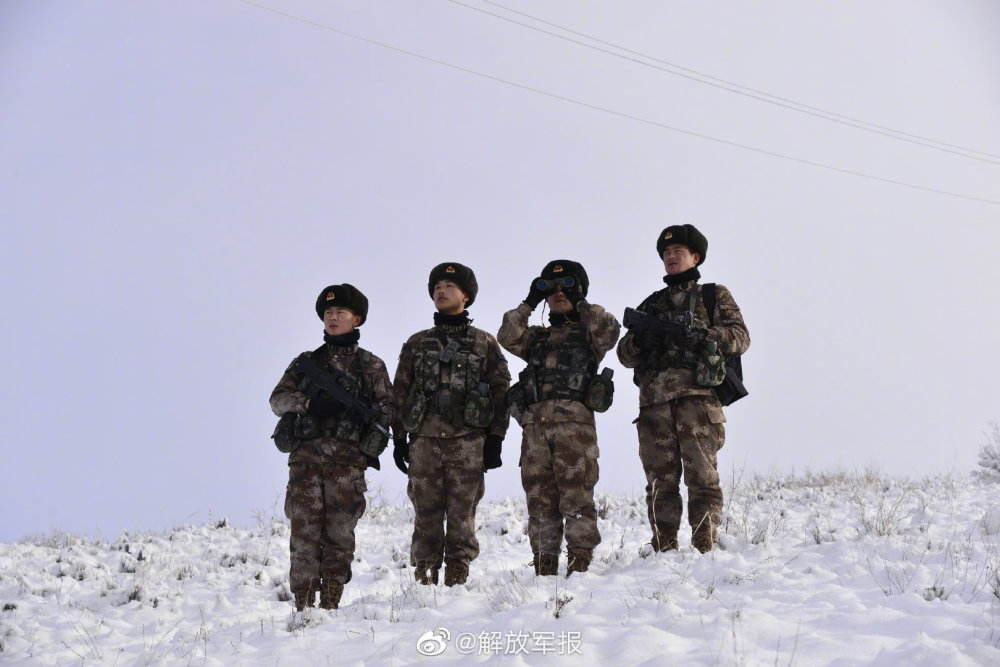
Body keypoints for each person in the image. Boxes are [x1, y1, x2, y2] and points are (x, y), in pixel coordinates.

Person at [617, 226, 750, 553]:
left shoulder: (712, 294)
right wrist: (639, 340)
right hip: (653, 407)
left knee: (702, 478)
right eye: (666, 253)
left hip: (698, 401)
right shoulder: (650, 305)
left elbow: (741, 337)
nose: (671, 256)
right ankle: (663, 549)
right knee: (659, 484)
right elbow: (624, 355)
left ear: (696, 257)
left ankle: (705, 547)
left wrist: (706, 336)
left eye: (677, 251)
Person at [269, 284, 395, 610]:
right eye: (328, 313)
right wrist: (308, 403)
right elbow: (277, 400)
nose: (333, 317)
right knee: (304, 536)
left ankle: (331, 605)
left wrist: (374, 442)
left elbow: (387, 409)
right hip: (306, 462)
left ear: (357, 318)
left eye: (340, 312)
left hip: (347, 463)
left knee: (339, 536)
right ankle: (304, 606)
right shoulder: (305, 364)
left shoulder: (371, 366)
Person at [498, 260, 620, 576]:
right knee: (539, 504)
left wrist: (579, 300)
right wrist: (529, 302)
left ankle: (580, 566)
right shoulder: (535, 337)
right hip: (534, 431)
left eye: (564, 287)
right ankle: (544, 567)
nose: (557, 294)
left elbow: (610, 332)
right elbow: (507, 335)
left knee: (577, 500)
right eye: (551, 289)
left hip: (575, 431)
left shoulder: (589, 334)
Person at [392, 263, 511, 586]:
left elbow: (501, 392)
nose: (440, 292)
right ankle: (425, 577)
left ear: (466, 296)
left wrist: (496, 438)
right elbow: (399, 392)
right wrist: (399, 439)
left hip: (468, 441)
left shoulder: (484, 343)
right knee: (426, 513)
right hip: (424, 442)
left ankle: (458, 575)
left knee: (462, 514)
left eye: (448, 286)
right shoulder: (416, 343)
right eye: (436, 288)